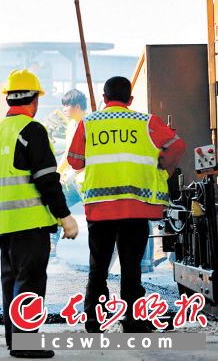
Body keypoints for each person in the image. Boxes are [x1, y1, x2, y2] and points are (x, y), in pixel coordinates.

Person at [67, 76, 185, 333]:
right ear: (130, 100)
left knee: (98, 266)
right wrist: (162, 165)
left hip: (100, 207)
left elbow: (75, 161)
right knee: (131, 267)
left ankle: (93, 319)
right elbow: (177, 145)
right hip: (135, 207)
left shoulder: (88, 123)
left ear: (104, 98)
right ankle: (133, 320)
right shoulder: (146, 122)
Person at [0, 69, 78, 358]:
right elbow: (47, 178)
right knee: (30, 281)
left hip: (4, 223)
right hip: (31, 220)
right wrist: (65, 216)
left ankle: (16, 341)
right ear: (34, 100)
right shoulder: (32, 130)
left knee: (11, 281)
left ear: (9, 99)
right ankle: (26, 345)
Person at [50, 88, 88, 256]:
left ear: (77, 106)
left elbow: (69, 154)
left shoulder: (87, 122)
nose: (64, 109)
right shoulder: (72, 124)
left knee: (96, 219)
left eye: (67, 105)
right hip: (75, 180)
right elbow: (67, 151)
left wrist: (57, 173)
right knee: (57, 207)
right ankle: (51, 246)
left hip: (86, 180)